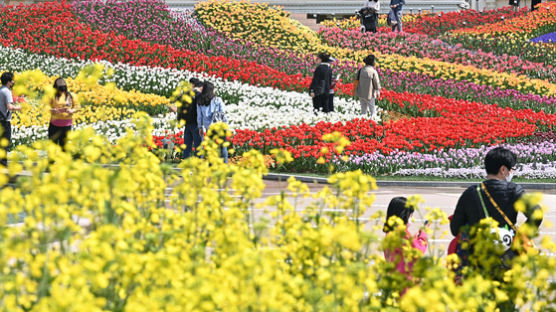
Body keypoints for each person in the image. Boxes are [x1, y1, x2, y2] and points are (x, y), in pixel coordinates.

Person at [450, 147, 543, 272]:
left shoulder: (471, 193)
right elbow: (536, 213)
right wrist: (519, 242)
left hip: (477, 259)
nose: (511, 173)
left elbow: (455, 229)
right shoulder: (514, 191)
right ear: (503, 170)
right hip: (506, 257)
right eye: (511, 169)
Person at [383, 197, 428, 286]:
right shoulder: (402, 234)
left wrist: (415, 238)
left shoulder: (390, 232)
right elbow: (418, 251)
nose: (411, 219)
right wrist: (423, 233)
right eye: (410, 216)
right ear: (403, 215)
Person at [170, 78, 203, 159]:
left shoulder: (192, 95)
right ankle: (198, 164)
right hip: (194, 124)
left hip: (191, 124)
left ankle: (186, 164)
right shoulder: (195, 95)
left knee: (188, 147)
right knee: (197, 146)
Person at [197, 81, 229, 163]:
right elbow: (223, 113)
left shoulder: (200, 102)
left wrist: (200, 127)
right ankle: (225, 164)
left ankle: (211, 166)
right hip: (219, 126)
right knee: (223, 146)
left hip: (209, 128)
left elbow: (199, 116)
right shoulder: (218, 100)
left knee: (211, 148)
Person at [48, 78, 79, 149]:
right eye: (60, 86)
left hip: (66, 126)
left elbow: (77, 106)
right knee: (52, 146)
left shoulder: (71, 95)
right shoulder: (52, 96)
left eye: (63, 85)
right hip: (54, 125)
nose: (62, 88)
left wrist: (72, 110)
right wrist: (52, 110)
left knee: (64, 146)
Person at [0, 72, 21, 167]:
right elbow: (9, 107)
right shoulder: (7, 91)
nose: (13, 82)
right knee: (4, 143)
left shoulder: (1, 90)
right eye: (12, 80)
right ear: (9, 82)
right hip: (5, 121)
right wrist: (19, 107)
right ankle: (3, 164)